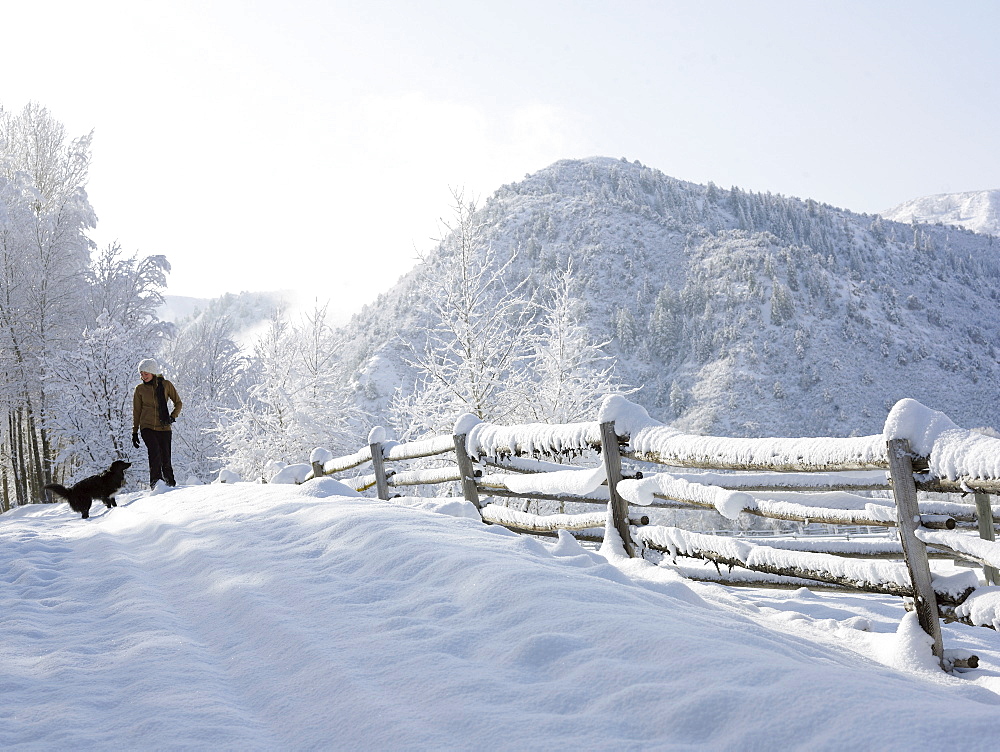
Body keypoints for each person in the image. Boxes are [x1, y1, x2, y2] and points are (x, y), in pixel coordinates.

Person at [132, 358, 183, 488]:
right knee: (154, 452)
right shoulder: (140, 389)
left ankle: (170, 485)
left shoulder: (166, 385)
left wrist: (172, 417)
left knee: (165, 457)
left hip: (164, 427)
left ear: (152, 372)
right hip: (147, 427)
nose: (143, 376)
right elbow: (137, 411)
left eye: (146, 373)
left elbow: (178, 403)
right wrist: (135, 431)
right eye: (141, 374)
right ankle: (156, 484)